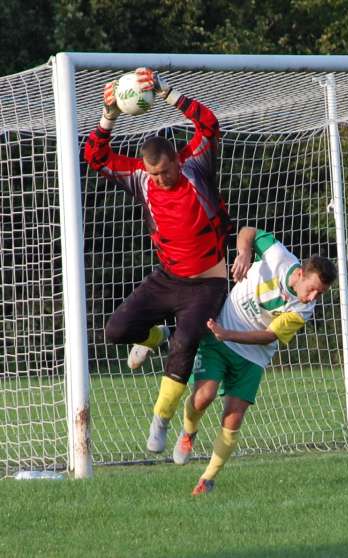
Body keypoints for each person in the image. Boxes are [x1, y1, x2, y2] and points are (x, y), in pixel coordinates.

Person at [83, 67, 233, 454]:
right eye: (154, 173)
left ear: (175, 161)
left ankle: (161, 420)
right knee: (116, 330)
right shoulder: (141, 178)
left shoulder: (196, 166)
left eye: (165, 171)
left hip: (208, 281)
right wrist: (109, 114)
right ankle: (156, 335)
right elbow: (96, 159)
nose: (160, 179)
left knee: (185, 343)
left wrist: (167, 93)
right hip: (168, 278)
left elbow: (210, 125)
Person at [171, 226, 337, 495]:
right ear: (299, 274)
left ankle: (207, 479)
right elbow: (248, 231)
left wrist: (229, 335)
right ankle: (189, 432)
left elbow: (267, 337)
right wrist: (245, 253)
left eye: (320, 294)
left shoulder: (303, 310)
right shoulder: (278, 256)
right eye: (313, 289)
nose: (313, 298)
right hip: (220, 332)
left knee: (233, 418)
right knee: (204, 397)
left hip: (252, 355)